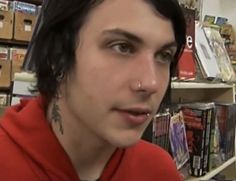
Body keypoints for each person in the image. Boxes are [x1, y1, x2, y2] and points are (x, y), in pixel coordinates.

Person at [0, 0, 186, 180]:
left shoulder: (159, 171)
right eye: (122, 47)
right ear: (57, 55)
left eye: (164, 55)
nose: (151, 82)